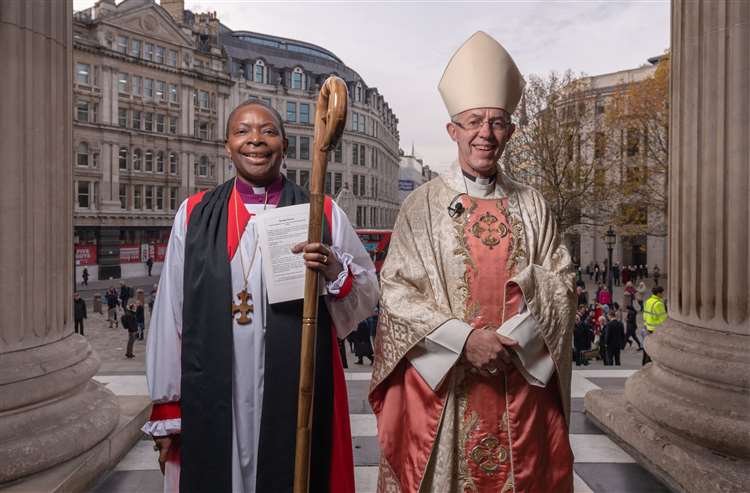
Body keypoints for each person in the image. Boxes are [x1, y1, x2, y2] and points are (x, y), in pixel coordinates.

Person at [370, 32, 575, 492]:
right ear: (453, 131)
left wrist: (511, 339)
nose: (486, 133)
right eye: (474, 121)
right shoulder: (421, 206)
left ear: (511, 132)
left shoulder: (534, 205)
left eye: (498, 122)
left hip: (519, 385)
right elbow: (398, 292)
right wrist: (464, 342)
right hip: (449, 395)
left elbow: (562, 283)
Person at [142, 99, 379, 493]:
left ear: (285, 145)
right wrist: (167, 405)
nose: (255, 140)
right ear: (227, 145)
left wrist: (335, 271)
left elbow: (365, 301)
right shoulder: (193, 213)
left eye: (268, 131)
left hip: (293, 390)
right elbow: (171, 313)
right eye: (242, 131)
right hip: (213, 388)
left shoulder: (321, 212)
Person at [642, 286, 668, 365]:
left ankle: (645, 363)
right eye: (662, 292)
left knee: (648, 346)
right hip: (656, 329)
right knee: (656, 348)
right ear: (658, 293)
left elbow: (645, 314)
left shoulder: (648, 301)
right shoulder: (658, 304)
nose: (663, 294)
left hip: (648, 327)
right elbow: (663, 319)